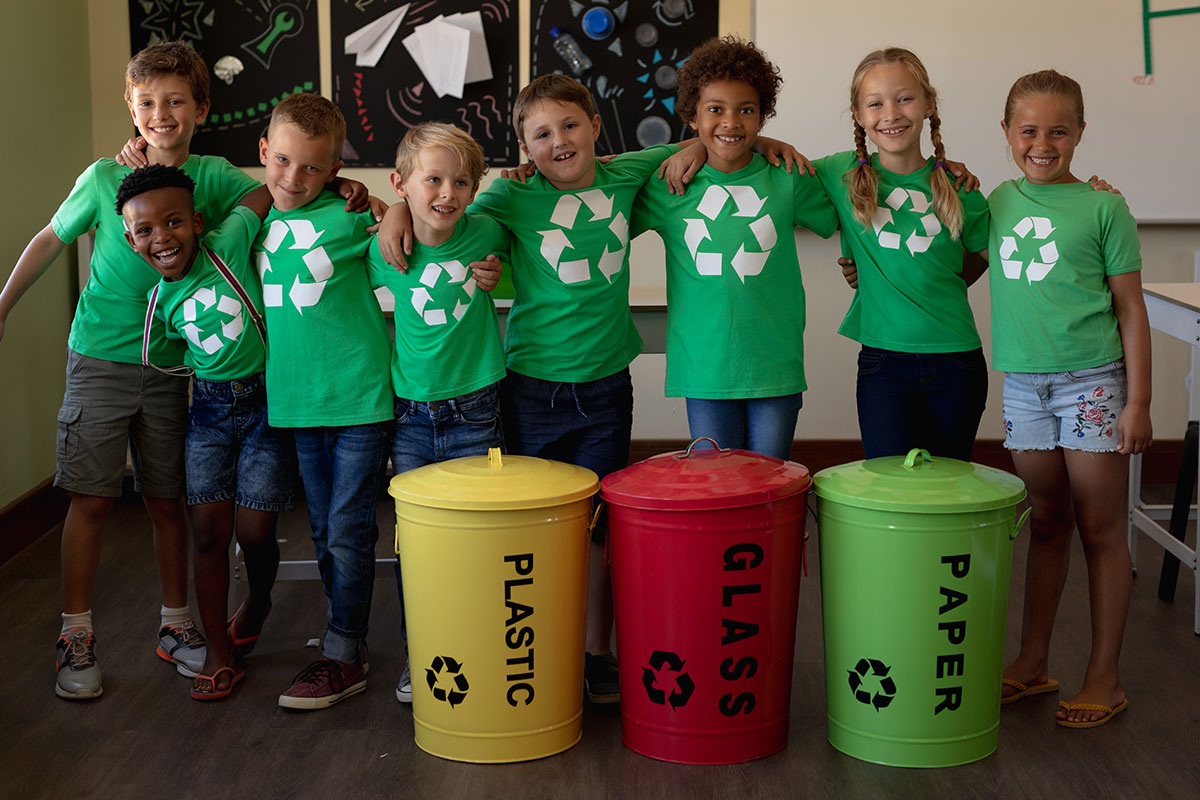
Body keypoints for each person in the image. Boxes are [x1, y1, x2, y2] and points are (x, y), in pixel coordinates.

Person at [0, 41, 252, 699]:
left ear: (200, 108)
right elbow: (52, 238)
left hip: (172, 369)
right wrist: (3, 303)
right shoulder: (103, 179)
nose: (161, 114)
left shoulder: (216, 177)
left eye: (175, 102)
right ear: (130, 109)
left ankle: (176, 627)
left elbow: (273, 196)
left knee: (167, 501)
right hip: (99, 363)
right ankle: (75, 635)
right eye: (147, 103)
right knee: (91, 497)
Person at [990, 70, 1151, 728]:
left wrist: (1138, 402)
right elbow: (957, 263)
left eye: (1059, 130)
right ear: (1007, 132)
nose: (1042, 142)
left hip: (1093, 383)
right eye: (1028, 129)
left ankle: (1104, 677)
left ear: (1080, 133)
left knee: (1100, 528)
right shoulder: (995, 201)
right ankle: (1032, 663)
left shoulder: (1104, 207)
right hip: (1025, 385)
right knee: (1047, 522)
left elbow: (1132, 310)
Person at [117, 165, 284, 701]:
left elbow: (264, 191)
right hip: (209, 413)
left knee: (255, 531)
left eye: (174, 222)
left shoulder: (228, 240)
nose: (161, 238)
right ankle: (217, 649)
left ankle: (257, 602)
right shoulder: (158, 303)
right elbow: (170, 355)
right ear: (130, 240)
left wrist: (338, 184)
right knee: (209, 533)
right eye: (145, 231)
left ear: (198, 220)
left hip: (266, 405)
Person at [252, 93, 395, 711]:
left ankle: (344, 650)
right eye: (283, 161)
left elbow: (406, 254)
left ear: (336, 172)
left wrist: (389, 209)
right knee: (322, 528)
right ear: (264, 153)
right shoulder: (247, 220)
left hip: (361, 397)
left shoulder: (352, 217)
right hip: (296, 401)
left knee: (347, 528)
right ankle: (346, 630)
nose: (293, 178)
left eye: (312, 168)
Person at [632, 35, 838, 460]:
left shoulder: (788, 177)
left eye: (746, 110)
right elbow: (606, 196)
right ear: (691, 116)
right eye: (715, 110)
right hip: (704, 366)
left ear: (763, 116)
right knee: (716, 486)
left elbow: (842, 214)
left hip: (773, 361)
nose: (731, 121)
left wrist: (855, 261)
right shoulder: (670, 185)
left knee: (770, 482)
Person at [365, 122, 505, 703]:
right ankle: (421, 653)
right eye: (433, 180)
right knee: (417, 545)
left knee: (480, 538)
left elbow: (529, 264)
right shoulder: (383, 247)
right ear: (402, 183)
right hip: (412, 416)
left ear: (474, 191)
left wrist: (502, 273)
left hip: (479, 408)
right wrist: (390, 215)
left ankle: (482, 646)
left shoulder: (489, 231)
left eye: (461, 182)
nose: (446, 193)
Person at [813, 47, 990, 461]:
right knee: (891, 490)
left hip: (958, 362)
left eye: (905, 98)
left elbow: (987, 256)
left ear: (929, 103)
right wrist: (695, 148)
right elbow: (769, 161)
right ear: (858, 115)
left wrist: (929, 281)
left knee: (949, 488)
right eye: (875, 103)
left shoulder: (961, 188)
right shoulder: (840, 176)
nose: (891, 113)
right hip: (883, 365)